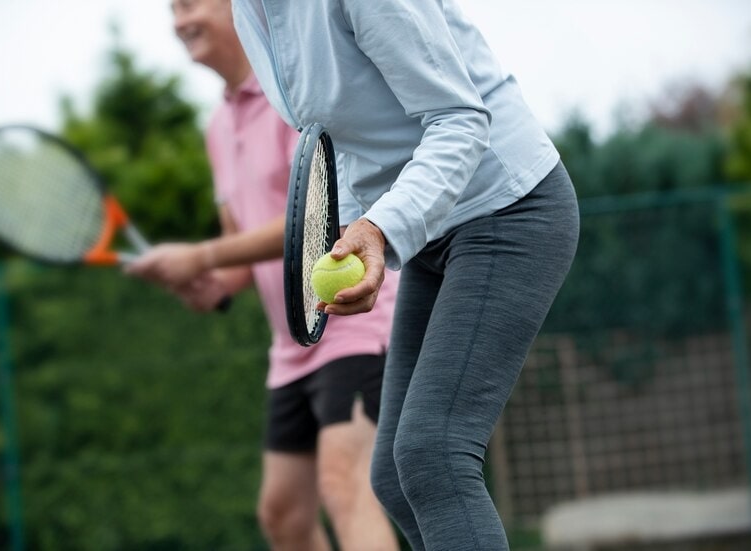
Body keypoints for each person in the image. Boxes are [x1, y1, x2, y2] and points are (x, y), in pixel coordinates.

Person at [136, 0, 580, 549]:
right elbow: (338, 147)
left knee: (432, 454)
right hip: (435, 234)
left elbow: (460, 120)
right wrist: (345, 234)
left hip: (508, 205)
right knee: (393, 476)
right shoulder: (254, 14)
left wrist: (380, 229)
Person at [128, 1, 400, 549]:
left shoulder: (293, 93)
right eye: (172, 9)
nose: (179, 21)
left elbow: (319, 217)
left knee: (345, 486)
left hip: (352, 321)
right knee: (283, 513)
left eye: (189, 4)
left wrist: (201, 256)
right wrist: (210, 282)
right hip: (289, 349)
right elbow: (241, 247)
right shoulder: (216, 127)